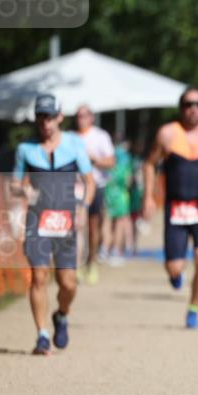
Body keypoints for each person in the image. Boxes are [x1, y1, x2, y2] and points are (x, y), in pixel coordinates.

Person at [11, 94, 95, 355]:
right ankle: (42, 335)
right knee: (39, 276)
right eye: (40, 117)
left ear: (60, 117)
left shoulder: (74, 144)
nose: (45, 123)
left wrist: (83, 208)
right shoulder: (25, 149)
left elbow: (90, 182)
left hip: (66, 220)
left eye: (50, 117)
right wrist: (23, 191)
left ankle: (62, 314)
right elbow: (14, 183)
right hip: (38, 219)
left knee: (68, 283)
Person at [142, 87, 198, 329]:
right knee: (174, 266)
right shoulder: (168, 134)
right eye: (188, 104)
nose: (193, 109)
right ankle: (175, 274)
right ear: (181, 108)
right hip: (175, 207)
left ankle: (193, 310)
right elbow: (149, 164)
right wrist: (148, 196)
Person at [74, 106, 115, 285]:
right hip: (75, 188)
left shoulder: (100, 136)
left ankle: (92, 261)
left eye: (84, 116)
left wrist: (93, 160)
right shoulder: (70, 137)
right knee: (76, 227)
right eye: (78, 116)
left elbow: (111, 161)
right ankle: (77, 264)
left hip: (96, 186)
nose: (80, 119)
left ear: (91, 118)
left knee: (92, 227)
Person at [103, 140, 134, 265]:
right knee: (119, 223)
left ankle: (104, 249)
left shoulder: (108, 161)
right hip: (121, 196)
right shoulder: (125, 162)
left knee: (107, 221)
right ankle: (115, 250)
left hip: (108, 194)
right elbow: (128, 181)